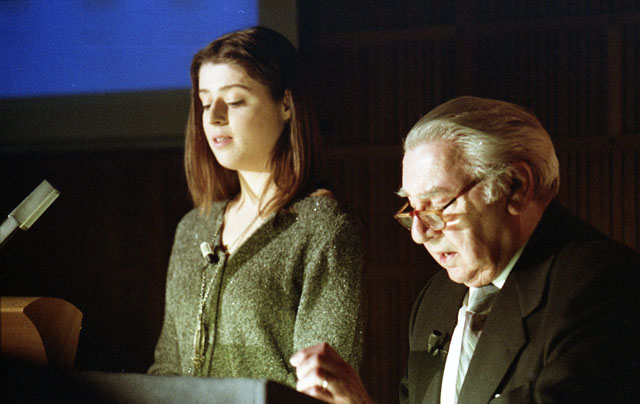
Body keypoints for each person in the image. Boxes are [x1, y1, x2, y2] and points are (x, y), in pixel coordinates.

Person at [291, 96, 640, 403]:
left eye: (438, 205)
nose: (419, 234)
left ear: (515, 186)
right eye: (412, 209)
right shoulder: (437, 299)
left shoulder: (605, 287)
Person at [148, 26, 365, 388]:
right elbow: (167, 366)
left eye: (234, 101)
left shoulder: (323, 226)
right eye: (205, 103)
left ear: (286, 105)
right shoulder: (193, 228)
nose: (214, 117)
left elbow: (322, 386)